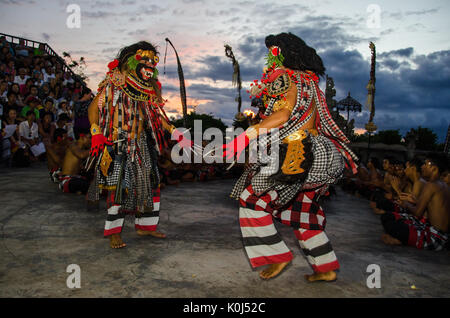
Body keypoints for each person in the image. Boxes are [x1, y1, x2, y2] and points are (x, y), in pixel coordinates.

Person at [224, 33, 358, 281]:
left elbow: (284, 114)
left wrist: (247, 135)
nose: (269, 59)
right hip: (320, 155)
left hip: (295, 153)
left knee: (251, 199)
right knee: (303, 212)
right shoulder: (311, 83)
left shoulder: (285, 77)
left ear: (285, 55)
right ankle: (325, 268)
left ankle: (276, 256)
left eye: (274, 53)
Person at [86, 41, 191, 249]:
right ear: (131, 60)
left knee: (150, 183)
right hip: (118, 142)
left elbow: (155, 115)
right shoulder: (116, 81)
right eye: (146, 59)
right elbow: (94, 108)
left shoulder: (148, 89)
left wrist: (174, 131)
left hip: (142, 143)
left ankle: (146, 226)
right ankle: (114, 232)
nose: (151, 64)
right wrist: (96, 132)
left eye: (154, 60)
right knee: (118, 188)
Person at [381, 154, 449, 251]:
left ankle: (401, 240)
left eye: (425, 164)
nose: (422, 167)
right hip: (439, 234)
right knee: (389, 218)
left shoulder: (431, 185)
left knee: (392, 224)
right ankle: (403, 238)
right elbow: (433, 209)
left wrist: (406, 204)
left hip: (435, 238)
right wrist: (413, 201)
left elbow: (417, 213)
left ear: (434, 169)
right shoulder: (443, 185)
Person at [59, 130, 91, 194]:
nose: (91, 141)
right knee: (91, 186)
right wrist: (95, 148)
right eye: (90, 138)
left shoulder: (82, 149)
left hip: (75, 178)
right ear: (82, 137)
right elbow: (82, 155)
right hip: (67, 181)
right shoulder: (73, 145)